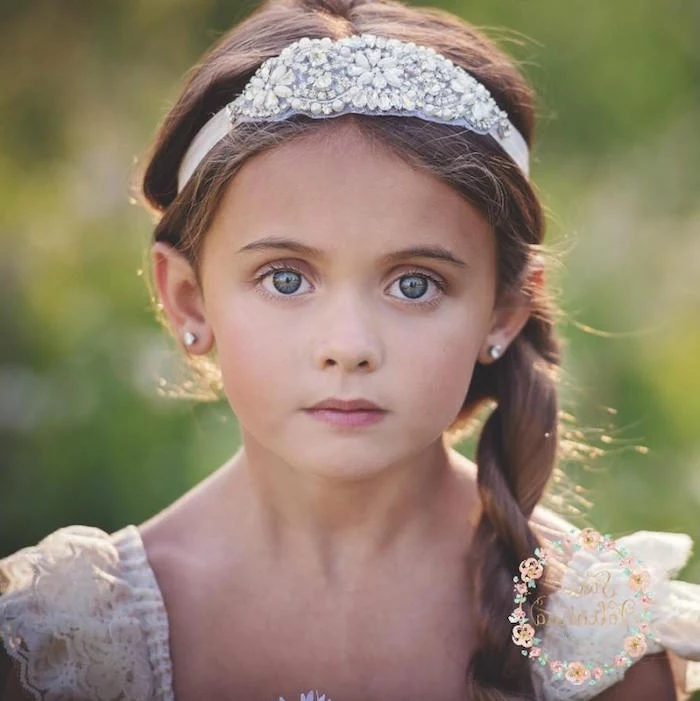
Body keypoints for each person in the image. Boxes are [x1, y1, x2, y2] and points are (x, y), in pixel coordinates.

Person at [1, 0, 698, 699]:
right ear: (187, 297)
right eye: (285, 278)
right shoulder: (67, 642)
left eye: (416, 284)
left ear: (504, 309)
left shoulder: (596, 641)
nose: (349, 347)